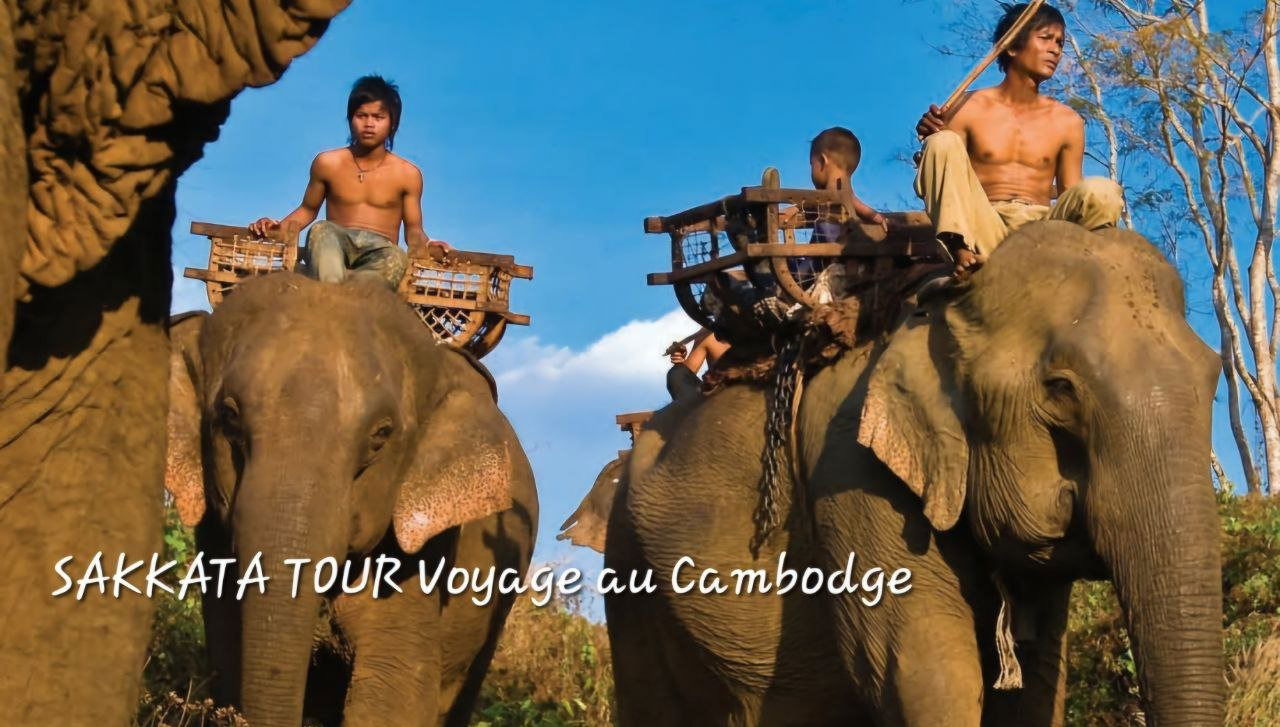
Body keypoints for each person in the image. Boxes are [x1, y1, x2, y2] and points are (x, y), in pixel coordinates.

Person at [914, 2, 1123, 275]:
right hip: (983, 226)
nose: (1056, 50)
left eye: (1060, 42)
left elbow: (1070, 194)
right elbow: (943, 173)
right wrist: (932, 136)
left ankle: (1082, 272)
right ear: (1011, 47)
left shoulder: (1068, 121)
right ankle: (961, 251)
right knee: (941, 143)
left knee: (1103, 192)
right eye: (1046, 38)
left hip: (1043, 232)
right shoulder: (968, 106)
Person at [249, 75, 450, 289]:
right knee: (320, 230)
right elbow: (307, 210)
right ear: (350, 119)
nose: (369, 124)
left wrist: (429, 245)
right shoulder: (328, 163)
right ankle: (332, 294)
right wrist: (275, 226)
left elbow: (413, 231)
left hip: (381, 249)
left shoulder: (407, 174)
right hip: (334, 244)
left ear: (392, 123)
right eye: (361, 115)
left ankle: (352, 297)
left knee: (397, 256)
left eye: (378, 117)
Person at [665, 329, 729, 401]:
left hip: (737, 394)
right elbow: (682, 376)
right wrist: (680, 363)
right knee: (677, 372)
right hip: (717, 399)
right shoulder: (709, 336)